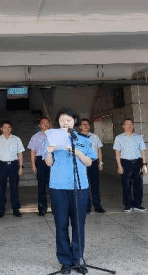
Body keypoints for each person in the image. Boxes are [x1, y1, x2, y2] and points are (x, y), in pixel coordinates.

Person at [44, 108, 96, 275]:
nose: (65, 123)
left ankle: (78, 259)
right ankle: (65, 261)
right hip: (58, 187)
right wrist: (49, 152)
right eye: (62, 120)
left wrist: (76, 151)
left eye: (68, 120)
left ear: (75, 121)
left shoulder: (83, 139)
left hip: (79, 187)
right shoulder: (51, 138)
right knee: (61, 224)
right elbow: (48, 163)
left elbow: (89, 162)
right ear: (58, 122)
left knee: (78, 224)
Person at [0, 121, 25, 218]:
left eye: (9, 127)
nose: (7, 129)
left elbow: (20, 154)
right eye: (5, 127)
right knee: (1, 188)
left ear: (11, 128)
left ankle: (16, 209)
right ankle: (1, 210)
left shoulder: (17, 139)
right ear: (1, 129)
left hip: (13, 165)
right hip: (1, 165)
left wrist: (20, 167)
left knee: (14, 187)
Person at [113, 118, 148, 212]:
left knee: (138, 184)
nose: (129, 126)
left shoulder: (139, 137)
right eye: (127, 124)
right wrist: (119, 165)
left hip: (137, 162)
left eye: (131, 124)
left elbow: (143, 151)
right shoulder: (119, 138)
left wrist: (144, 164)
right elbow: (117, 153)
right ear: (123, 126)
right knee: (126, 184)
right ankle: (127, 204)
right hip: (125, 162)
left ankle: (138, 204)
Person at [79, 118, 105, 214]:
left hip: (94, 163)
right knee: (84, 186)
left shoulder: (95, 137)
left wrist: (100, 163)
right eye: (83, 124)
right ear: (80, 126)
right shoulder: (76, 137)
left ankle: (97, 206)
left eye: (87, 124)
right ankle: (86, 206)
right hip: (82, 164)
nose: (86, 126)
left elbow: (99, 150)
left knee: (95, 185)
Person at [28, 117, 52, 216]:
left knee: (53, 185)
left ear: (49, 124)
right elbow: (32, 151)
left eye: (47, 122)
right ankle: (42, 208)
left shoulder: (54, 135)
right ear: (39, 125)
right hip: (41, 161)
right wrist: (33, 165)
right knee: (41, 185)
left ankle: (56, 207)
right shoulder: (35, 136)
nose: (45, 124)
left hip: (53, 161)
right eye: (43, 122)